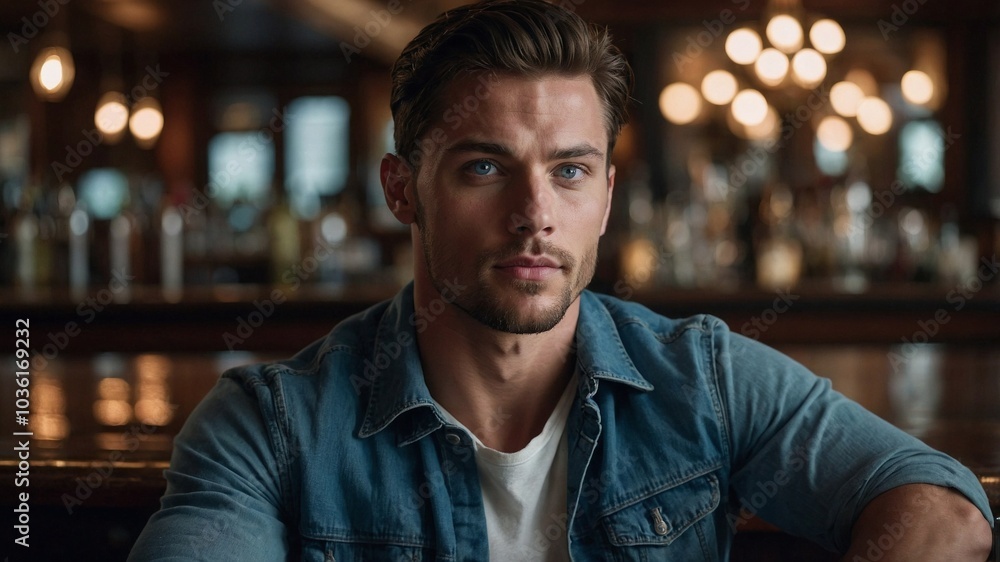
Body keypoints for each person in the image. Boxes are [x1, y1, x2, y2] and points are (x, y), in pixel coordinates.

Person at [130, 0, 995, 560]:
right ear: (403, 190)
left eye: (571, 171)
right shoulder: (269, 426)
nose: (535, 213)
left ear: (608, 197)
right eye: (483, 168)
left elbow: (943, 511)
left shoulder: (703, 378)